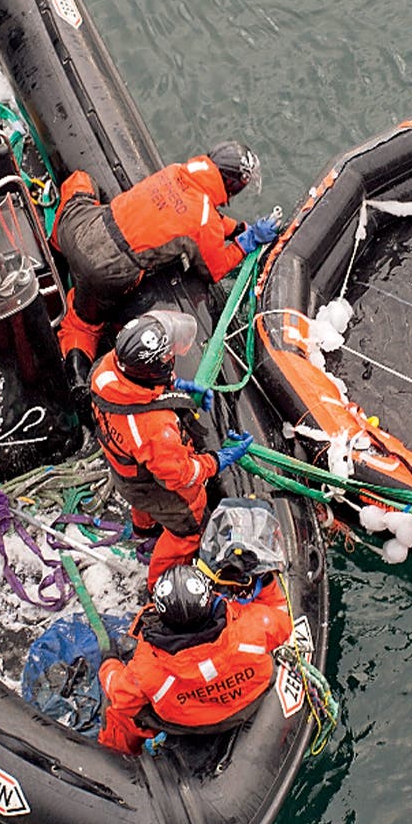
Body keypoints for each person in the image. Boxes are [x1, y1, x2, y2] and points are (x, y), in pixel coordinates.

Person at [50, 142, 279, 389]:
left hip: (82, 228)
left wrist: (237, 229)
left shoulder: (175, 172)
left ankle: (55, 245)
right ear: (235, 185)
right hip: (105, 270)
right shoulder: (205, 221)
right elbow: (214, 269)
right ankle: (76, 380)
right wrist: (247, 242)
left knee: (80, 181)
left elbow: (200, 216)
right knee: (82, 324)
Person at [90, 310, 254, 589]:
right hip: (153, 484)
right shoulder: (156, 429)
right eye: (167, 359)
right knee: (188, 531)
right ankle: (159, 585)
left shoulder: (107, 371)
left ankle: (144, 531)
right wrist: (219, 459)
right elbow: (180, 476)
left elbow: (145, 388)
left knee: (142, 501)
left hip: (124, 470)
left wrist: (177, 388)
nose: (172, 359)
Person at [97, 561, 292, 754]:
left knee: (115, 709)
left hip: (188, 724)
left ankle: (119, 754)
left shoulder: (147, 667)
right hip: (249, 702)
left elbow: (121, 697)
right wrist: (265, 582)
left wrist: (109, 663)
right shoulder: (252, 626)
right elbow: (283, 621)